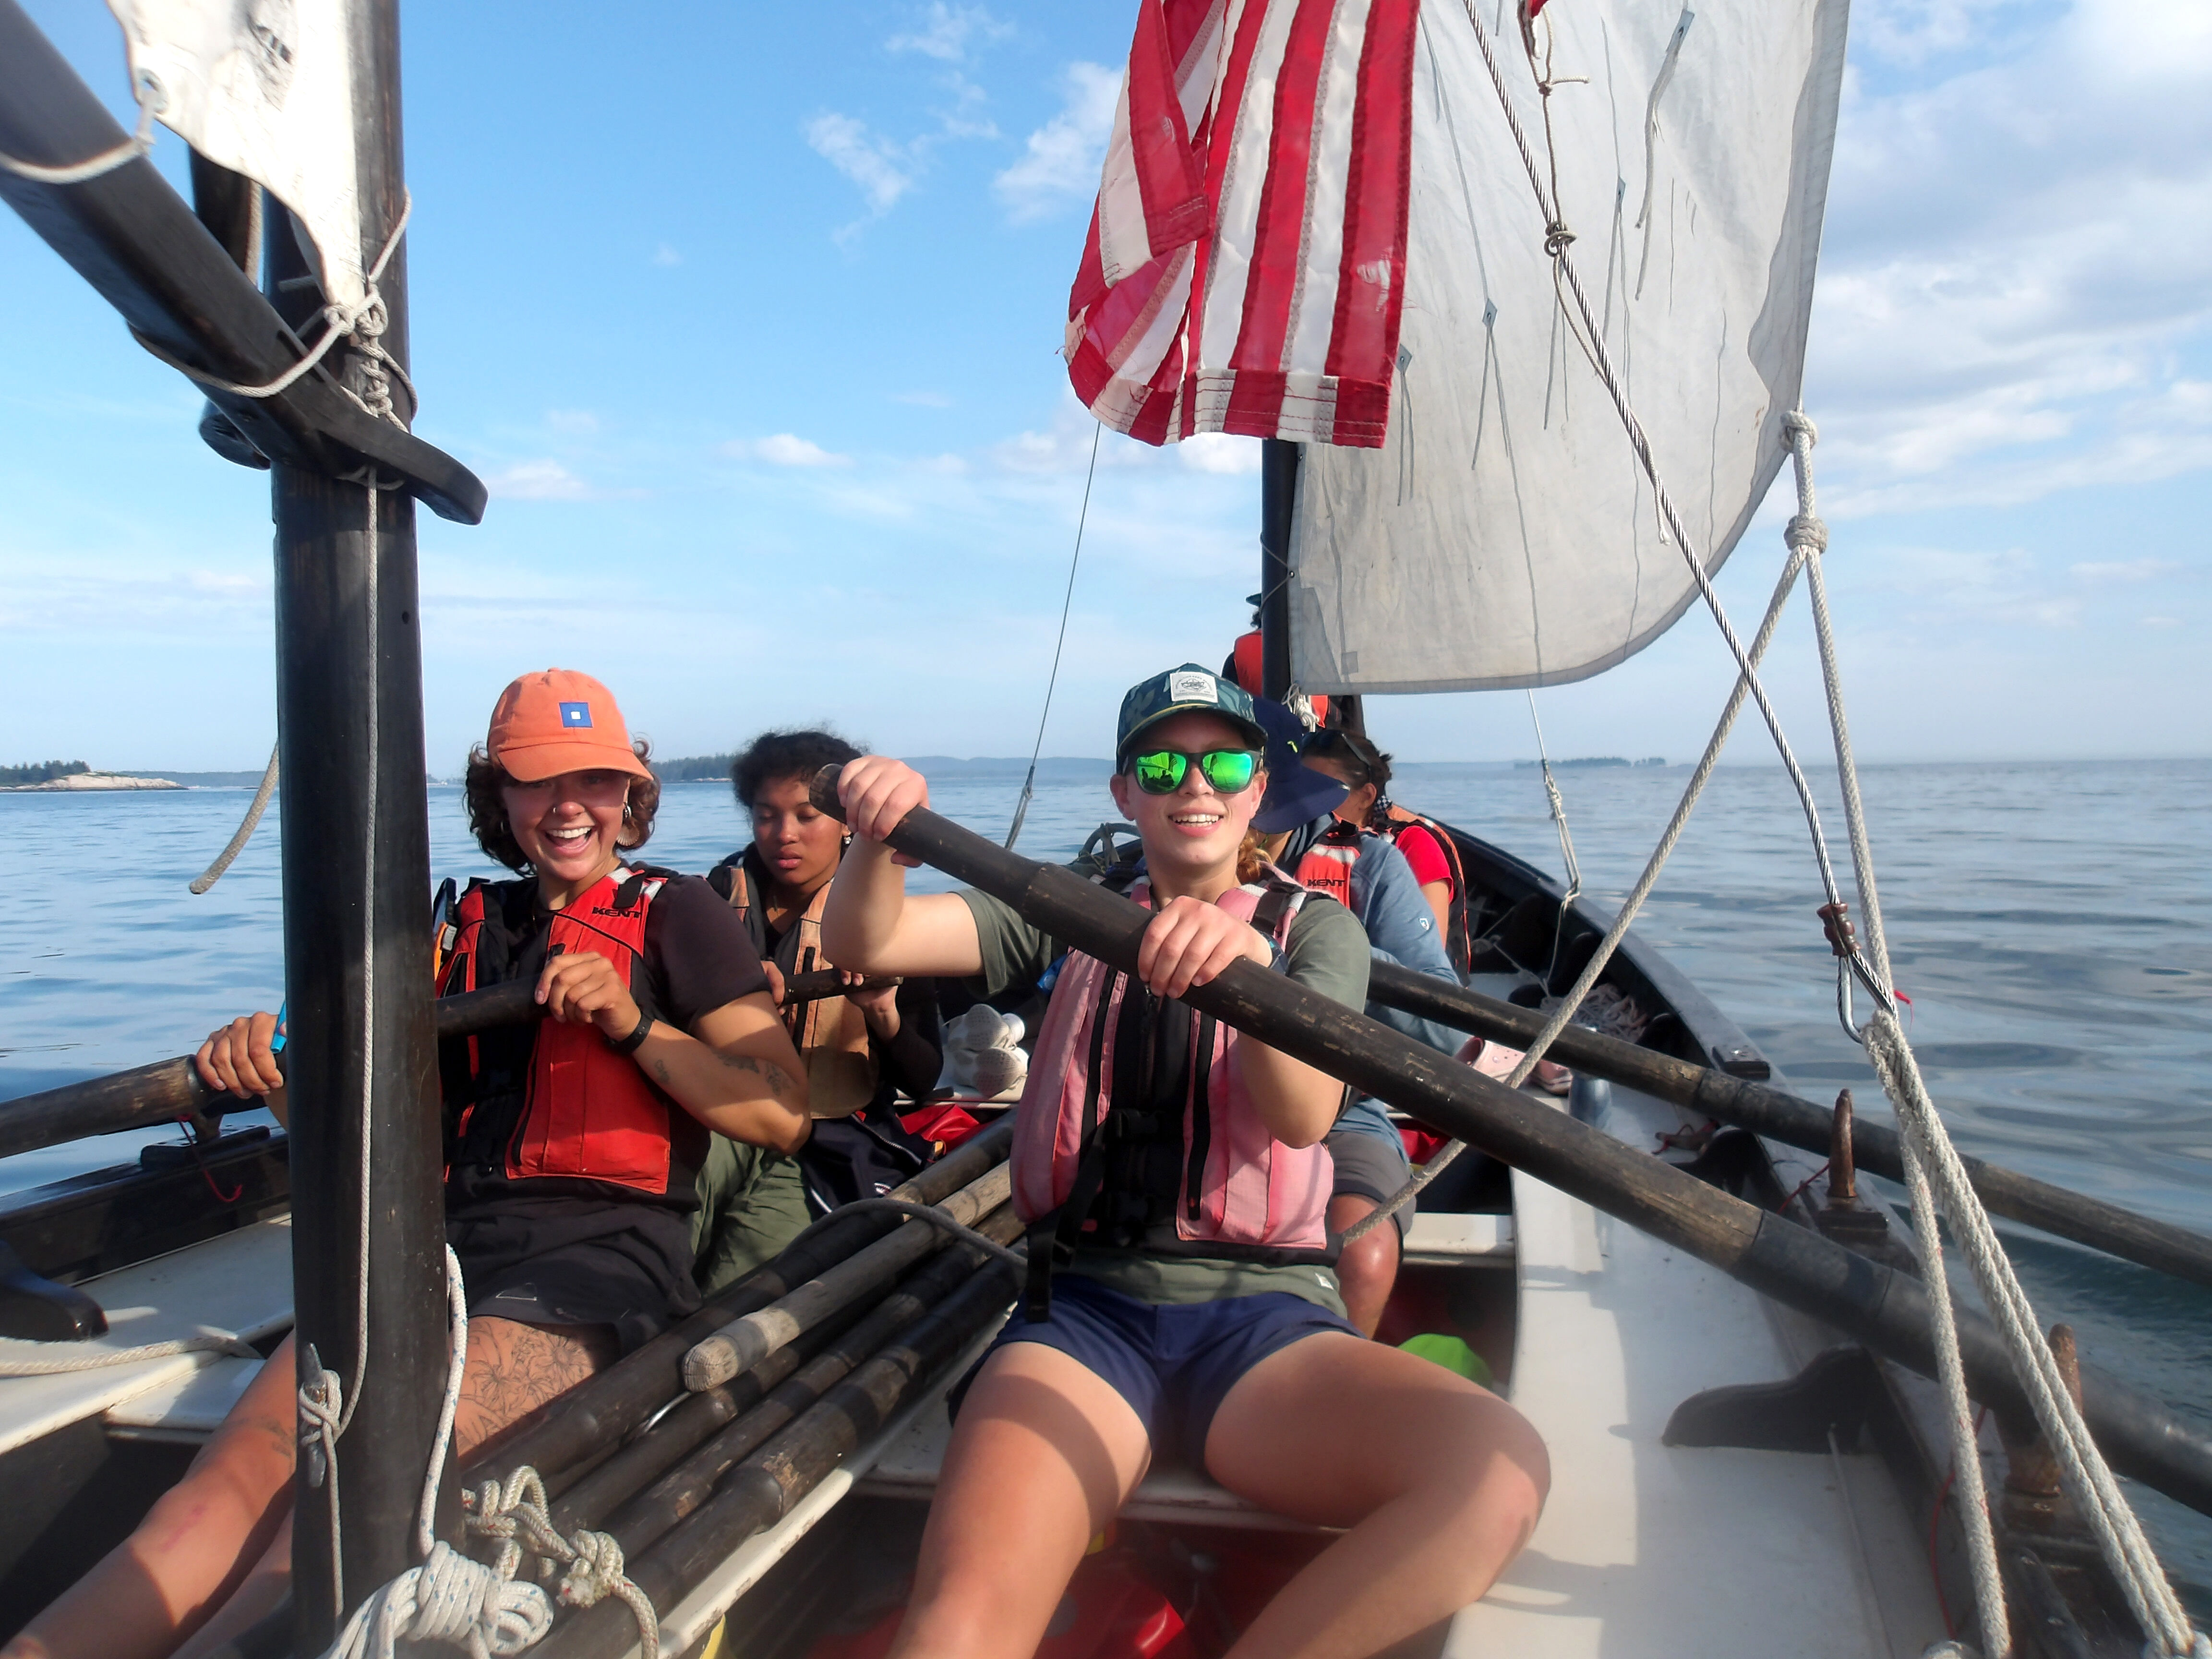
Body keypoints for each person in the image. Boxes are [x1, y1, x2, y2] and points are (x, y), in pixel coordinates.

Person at [4, 670, 813, 1659]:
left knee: (332, 1535)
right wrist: (264, 1072)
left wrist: (635, 1022)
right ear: (497, 796)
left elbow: (779, 1112)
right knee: (200, 1508)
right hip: (426, 1261)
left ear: (631, 792)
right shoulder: (443, 931)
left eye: (595, 781)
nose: (568, 807)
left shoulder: (680, 914)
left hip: (591, 1269)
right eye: (536, 782)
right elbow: (355, 1139)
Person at [820, 663, 1547, 1659]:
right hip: (1081, 1314)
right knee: (959, 1626)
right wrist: (878, 841)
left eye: (1224, 762)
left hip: (1265, 1321)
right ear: (1126, 792)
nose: (1192, 785)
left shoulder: (1313, 929)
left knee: (1497, 1471)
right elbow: (874, 933)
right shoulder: (1069, 907)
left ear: (1259, 788)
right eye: (1161, 764)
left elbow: (1300, 1119)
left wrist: (1250, 976)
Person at [693, 728, 945, 1294]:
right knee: (675, 1217)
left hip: (833, 1136)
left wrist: (881, 1010)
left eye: (808, 816)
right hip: (729, 1116)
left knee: (740, 1275)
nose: (784, 835)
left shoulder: (888, 920)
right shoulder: (709, 902)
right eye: (766, 816)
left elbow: (925, 1079)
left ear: (848, 822)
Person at [1248, 700, 1468, 1335]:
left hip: (1342, 1098)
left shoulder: (1371, 864)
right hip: (1192, 1093)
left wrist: (1319, 943)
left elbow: (1445, 1026)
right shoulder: (1167, 859)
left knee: (1365, 1253)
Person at [1302, 728, 1471, 971]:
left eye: (1323, 791)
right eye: (1302, 788)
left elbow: (1426, 957)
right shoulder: (1297, 839)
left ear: (1366, 796)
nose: (1308, 802)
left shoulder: (1414, 845)